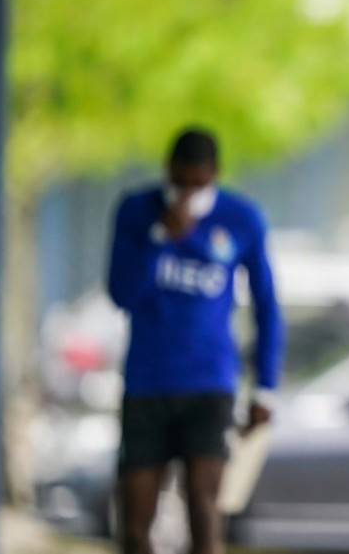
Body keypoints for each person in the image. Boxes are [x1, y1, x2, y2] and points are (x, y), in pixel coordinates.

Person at [107, 127, 284, 554]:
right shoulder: (136, 211)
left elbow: (267, 305)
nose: (188, 193)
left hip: (209, 384)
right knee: (134, 524)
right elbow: (121, 294)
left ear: (215, 175)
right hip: (147, 384)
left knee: (205, 510)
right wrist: (160, 238)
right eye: (180, 182)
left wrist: (265, 386)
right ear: (167, 172)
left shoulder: (242, 218)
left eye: (198, 183)